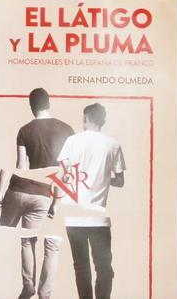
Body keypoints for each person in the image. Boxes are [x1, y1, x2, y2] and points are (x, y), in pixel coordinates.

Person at [0, 88, 75, 299]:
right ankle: (44, 294)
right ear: (49, 103)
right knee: (52, 246)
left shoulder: (25, 130)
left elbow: (21, 165)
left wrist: (1, 193)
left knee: (27, 241)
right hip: (47, 193)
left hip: (22, 189)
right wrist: (58, 202)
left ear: (31, 106)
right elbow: (67, 171)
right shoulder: (67, 130)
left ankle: (28, 286)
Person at [56, 102, 125, 299]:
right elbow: (120, 181)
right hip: (98, 216)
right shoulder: (113, 144)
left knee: (81, 267)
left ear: (85, 119)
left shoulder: (72, 141)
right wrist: (102, 178)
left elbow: (63, 177)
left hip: (74, 215)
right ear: (104, 120)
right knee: (103, 266)